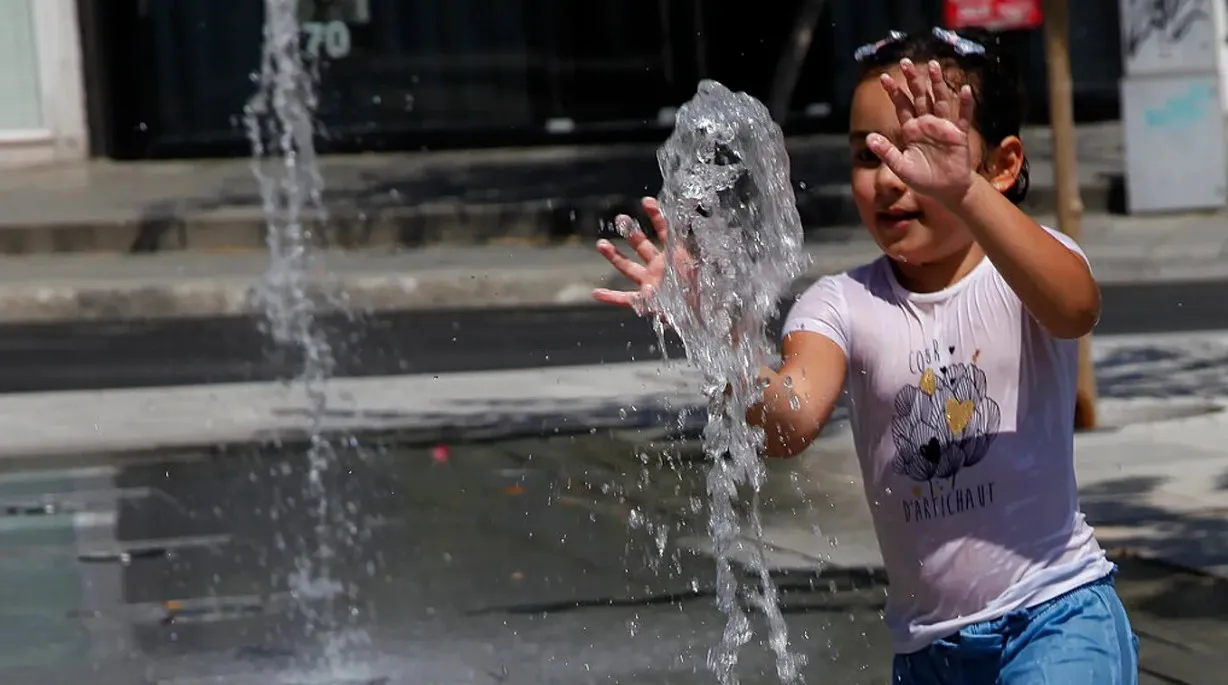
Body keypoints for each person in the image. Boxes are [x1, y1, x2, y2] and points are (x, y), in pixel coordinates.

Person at [591, 27, 1139, 685]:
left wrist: (965, 193)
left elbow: (1074, 308)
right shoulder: (842, 303)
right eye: (867, 154)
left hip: (1056, 615)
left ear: (1001, 165)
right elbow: (788, 423)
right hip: (928, 652)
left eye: (923, 149)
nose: (892, 177)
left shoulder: (1021, 270)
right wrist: (716, 331)